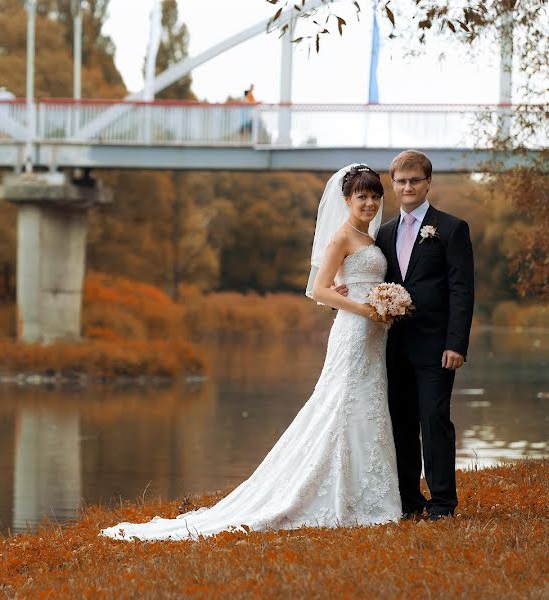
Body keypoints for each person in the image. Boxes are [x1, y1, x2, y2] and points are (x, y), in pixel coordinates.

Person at [101, 165, 401, 541]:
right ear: (347, 200)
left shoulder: (371, 238)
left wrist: (382, 304)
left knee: (368, 403)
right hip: (355, 330)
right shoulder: (342, 237)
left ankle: (369, 493)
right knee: (342, 403)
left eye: (375, 196)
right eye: (363, 197)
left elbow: (349, 283)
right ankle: (338, 494)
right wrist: (366, 309)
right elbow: (319, 291)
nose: (371, 203)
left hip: (375, 334)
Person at [374, 150, 474, 521]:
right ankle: (409, 500)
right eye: (401, 181)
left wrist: (456, 343)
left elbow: (462, 290)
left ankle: (442, 503)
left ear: (428, 182)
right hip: (393, 346)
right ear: (393, 184)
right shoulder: (383, 233)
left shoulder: (450, 228)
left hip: (437, 346)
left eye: (415, 180)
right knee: (400, 422)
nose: (408, 187)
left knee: (434, 419)